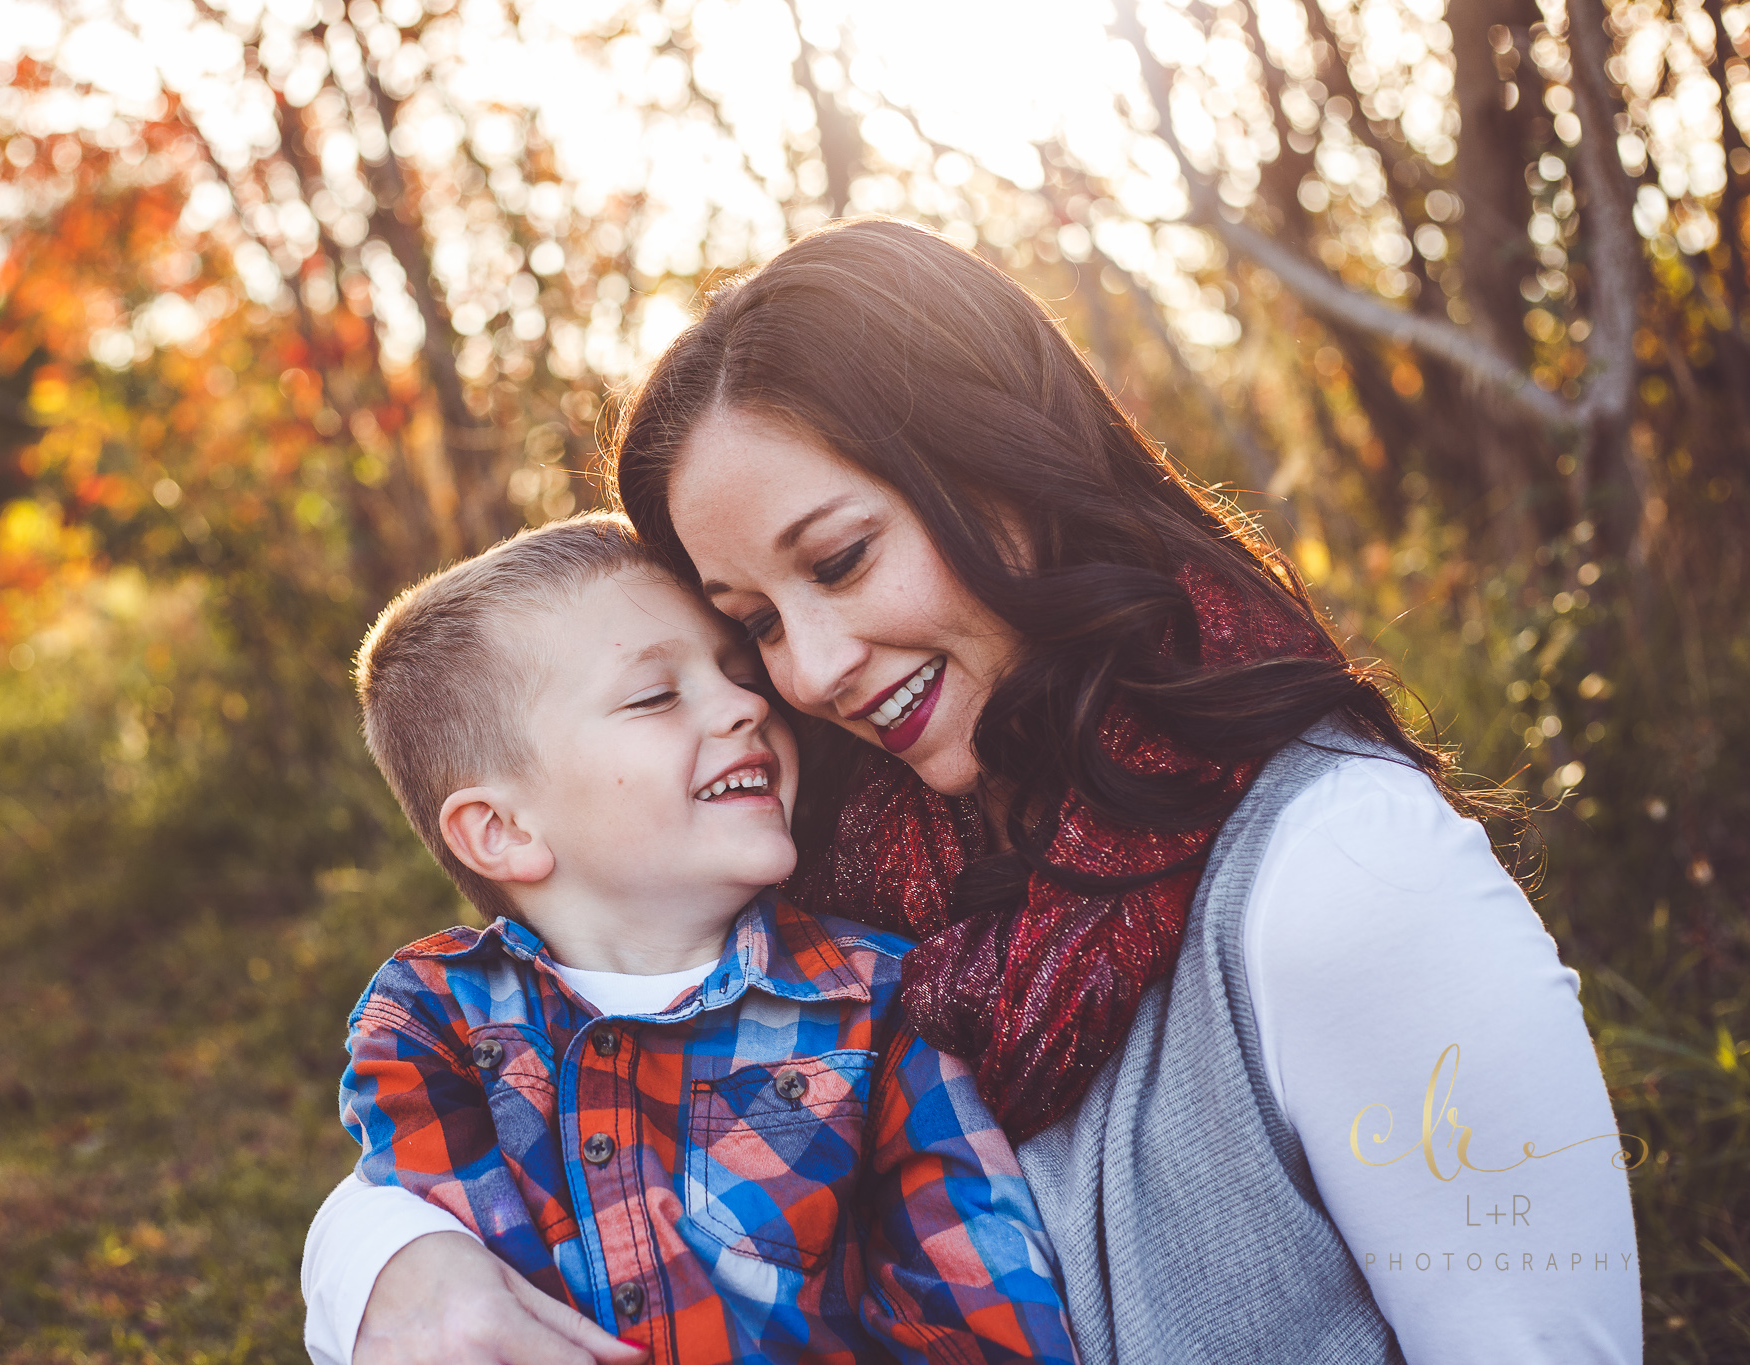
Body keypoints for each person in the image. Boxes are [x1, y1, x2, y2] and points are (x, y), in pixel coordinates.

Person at [304, 220, 1642, 1364]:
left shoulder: (1341, 875)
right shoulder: (832, 849)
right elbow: (583, 1051)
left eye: (838, 559)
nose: (807, 673)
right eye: (752, 620)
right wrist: (388, 1258)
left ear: (1006, 464)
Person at [320, 512, 1078, 1365]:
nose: (748, 703)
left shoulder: (886, 1006)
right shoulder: (433, 1023)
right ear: (501, 830)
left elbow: (981, 1323)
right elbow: (449, 1304)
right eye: (654, 695)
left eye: (737, 669)